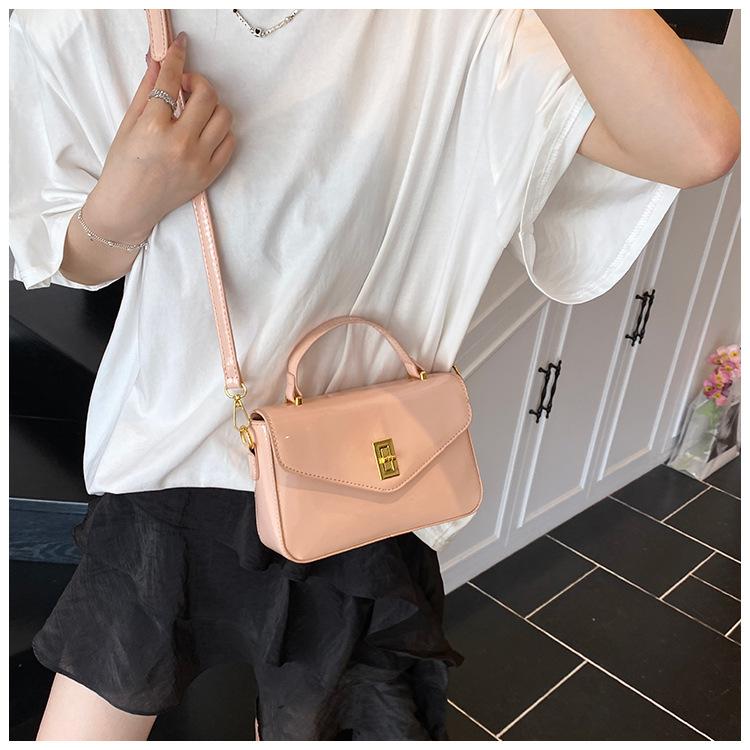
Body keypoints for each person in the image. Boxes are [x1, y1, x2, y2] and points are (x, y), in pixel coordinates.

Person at [9, 9, 738, 741]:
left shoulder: (473, 24)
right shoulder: (96, 19)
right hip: (170, 463)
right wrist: (125, 202)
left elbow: (695, 144)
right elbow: (60, 256)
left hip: (373, 487)